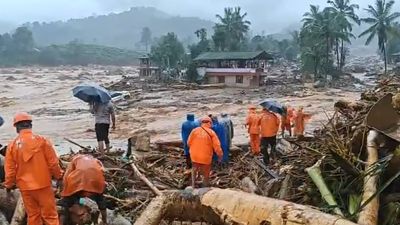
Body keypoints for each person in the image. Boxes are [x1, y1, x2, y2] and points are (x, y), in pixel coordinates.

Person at [3, 112, 63, 225]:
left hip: (25, 188)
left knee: (33, 216)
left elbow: (10, 170)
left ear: (16, 127)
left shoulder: (12, 145)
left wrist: (9, 185)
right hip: (43, 185)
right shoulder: (42, 141)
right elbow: (53, 163)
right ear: (30, 125)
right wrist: (59, 177)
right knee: (50, 216)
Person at [59, 154, 107, 225]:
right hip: (96, 181)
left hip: (79, 181)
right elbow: (102, 171)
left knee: (65, 203)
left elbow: (66, 176)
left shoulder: (75, 159)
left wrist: (63, 192)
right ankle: (104, 221)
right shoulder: (95, 160)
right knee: (100, 200)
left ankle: (61, 223)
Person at [187, 117, 223, 187]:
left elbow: (188, 142)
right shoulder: (211, 133)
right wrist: (220, 156)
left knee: (194, 169)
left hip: (194, 156)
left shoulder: (194, 131)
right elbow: (217, 147)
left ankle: (193, 185)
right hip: (205, 157)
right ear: (209, 123)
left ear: (201, 123)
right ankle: (204, 187)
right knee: (206, 174)